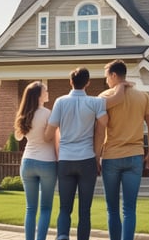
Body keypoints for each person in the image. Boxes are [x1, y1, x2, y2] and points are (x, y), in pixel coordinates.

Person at [44, 67, 125, 240]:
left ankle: (63, 236)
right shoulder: (95, 102)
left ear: (70, 82)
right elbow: (106, 121)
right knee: (84, 210)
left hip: (65, 160)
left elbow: (49, 133)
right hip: (87, 160)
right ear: (87, 83)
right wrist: (122, 85)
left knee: (65, 208)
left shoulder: (60, 102)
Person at [98, 59, 149, 240]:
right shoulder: (143, 96)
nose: (106, 81)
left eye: (107, 77)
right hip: (134, 157)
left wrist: (96, 155)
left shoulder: (104, 97)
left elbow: (100, 130)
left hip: (111, 157)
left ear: (114, 75)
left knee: (112, 208)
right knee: (129, 208)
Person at [14, 81, 57, 240]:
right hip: (47, 163)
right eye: (45, 90)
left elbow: (18, 136)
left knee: (30, 208)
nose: (47, 92)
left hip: (27, 163)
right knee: (45, 208)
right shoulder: (48, 113)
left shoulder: (23, 114)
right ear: (39, 95)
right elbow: (52, 137)